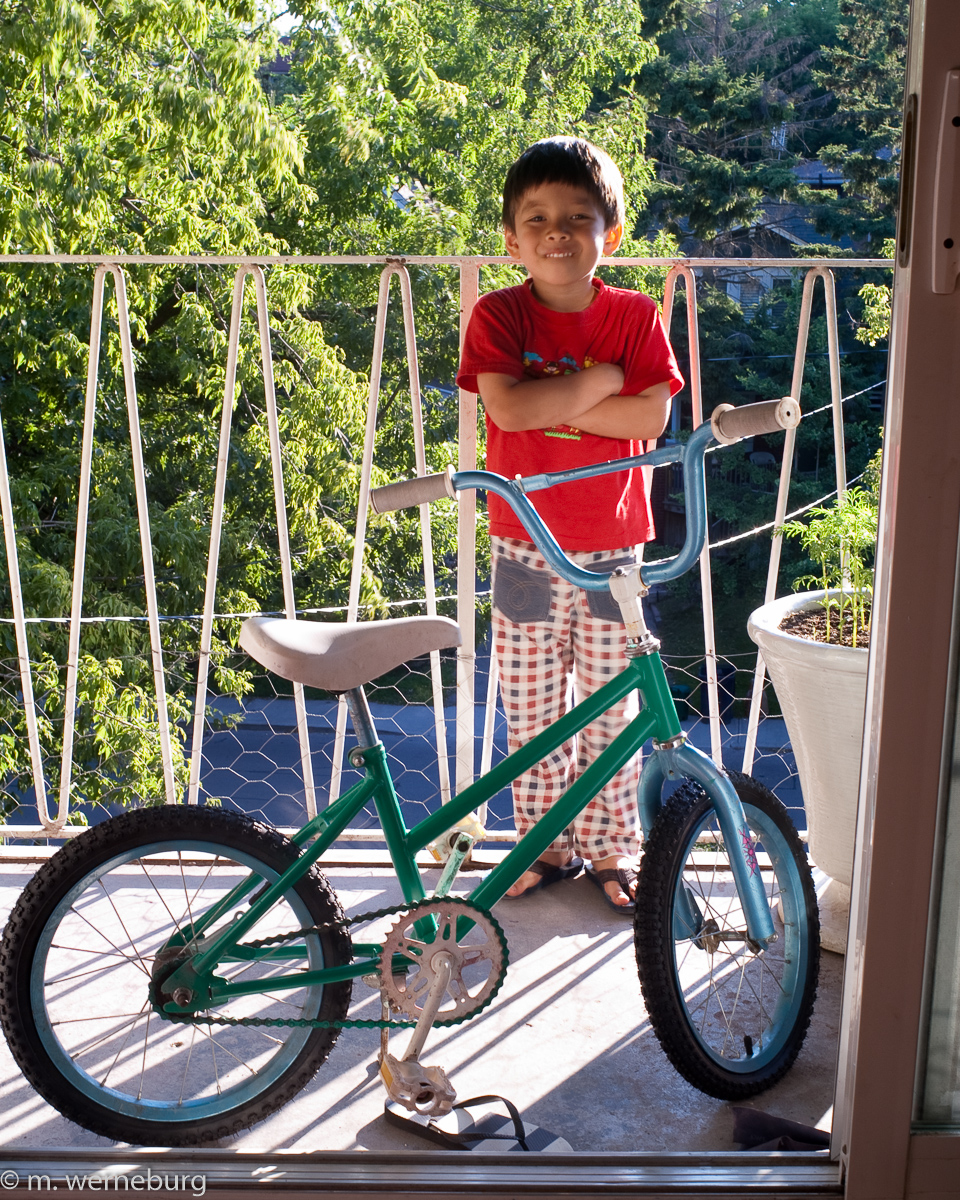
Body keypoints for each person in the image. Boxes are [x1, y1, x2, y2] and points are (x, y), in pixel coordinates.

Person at [456, 137, 683, 912]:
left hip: (615, 549)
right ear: (512, 239)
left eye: (578, 218)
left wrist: (596, 396)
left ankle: (613, 846)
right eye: (538, 218)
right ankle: (544, 844)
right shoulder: (498, 313)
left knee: (611, 706)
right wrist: (604, 384)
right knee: (530, 706)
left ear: (609, 236)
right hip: (523, 545)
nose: (557, 232)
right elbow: (510, 408)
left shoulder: (634, 315)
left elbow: (650, 417)